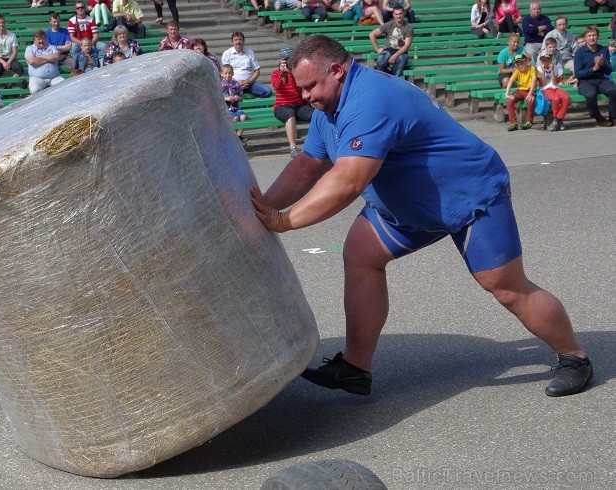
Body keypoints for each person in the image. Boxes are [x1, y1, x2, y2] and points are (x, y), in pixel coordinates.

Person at [249, 34, 593, 399]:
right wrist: (262, 209)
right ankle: (354, 367)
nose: (305, 97)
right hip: (407, 206)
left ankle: (574, 357)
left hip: (467, 195)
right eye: (301, 90)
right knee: (361, 255)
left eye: (311, 86)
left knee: (506, 287)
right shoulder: (328, 108)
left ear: (336, 70)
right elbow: (306, 166)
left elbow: (347, 182)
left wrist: (284, 221)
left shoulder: (370, 101)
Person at [272, 46, 314, 158]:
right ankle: (293, 147)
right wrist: (282, 74)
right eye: (285, 60)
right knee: (289, 115)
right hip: (282, 106)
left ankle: (316, 142)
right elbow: (276, 87)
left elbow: (299, 87)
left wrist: (291, 72)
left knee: (316, 114)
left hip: (299, 106)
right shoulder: (276, 73)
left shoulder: (297, 73)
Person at [573, 25, 616, 126]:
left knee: (613, 90)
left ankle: (613, 117)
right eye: (589, 35)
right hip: (585, 81)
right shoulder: (580, 52)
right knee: (590, 94)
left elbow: (608, 70)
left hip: (600, 79)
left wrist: (602, 65)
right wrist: (594, 68)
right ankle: (597, 117)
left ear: (598, 36)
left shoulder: (603, 50)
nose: (592, 38)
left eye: (594, 35)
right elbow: (578, 74)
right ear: (585, 37)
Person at [221, 31, 272, 98]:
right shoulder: (227, 54)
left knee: (267, 91)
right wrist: (237, 83)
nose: (238, 42)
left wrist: (250, 82)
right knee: (229, 96)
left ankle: (258, 108)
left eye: (240, 39)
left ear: (243, 41)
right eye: (235, 40)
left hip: (250, 84)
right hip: (232, 84)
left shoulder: (250, 52)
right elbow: (224, 72)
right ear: (232, 42)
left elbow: (257, 71)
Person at [370, 6, 413, 77]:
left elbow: (406, 46)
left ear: (404, 13)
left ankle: (394, 79)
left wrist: (395, 56)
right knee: (380, 62)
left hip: (401, 51)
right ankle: (388, 77)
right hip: (388, 49)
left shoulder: (408, 27)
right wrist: (377, 49)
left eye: (400, 14)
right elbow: (372, 34)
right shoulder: (389, 24)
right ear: (393, 15)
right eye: (396, 14)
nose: (398, 16)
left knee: (402, 60)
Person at [0, 14, 26, 88]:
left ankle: (9, 84)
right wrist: (3, 63)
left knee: (19, 68)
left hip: (10, 58)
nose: (1, 24)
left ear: (5, 22)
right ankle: (7, 84)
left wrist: (8, 62)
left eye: (2, 22)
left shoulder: (12, 35)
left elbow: (15, 51)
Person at [536, 52, 570, 131]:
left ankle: (557, 120)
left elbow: (555, 82)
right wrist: (543, 71)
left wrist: (552, 71)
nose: (546, 62)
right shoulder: (538, 69)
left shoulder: (555, 67)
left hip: (555, 87)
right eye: (544, 60)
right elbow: (543, 83)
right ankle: (558, 120)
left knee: (566, 97)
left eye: (548, 60)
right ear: (541, 61)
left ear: (551, 60)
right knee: (555, 99)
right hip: (545, 88)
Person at [25, 30, 64, 95]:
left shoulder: (52, 47)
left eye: (43, 38)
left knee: (64, 86)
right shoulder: (30, 48)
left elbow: (57, 57)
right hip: (37, 78)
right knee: (35, 90)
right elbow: (32, 61)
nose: (41, 41)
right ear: (34, 41)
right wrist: (50, 59)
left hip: (54, 77)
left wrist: (41, 57)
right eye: (39, 39)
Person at [505, 53, 537, 131]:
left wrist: (530, 94)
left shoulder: (532, 69)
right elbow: (510, 81)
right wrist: (507, 93)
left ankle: (529, 121)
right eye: (518, 63)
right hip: (520, 90)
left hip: (529, 90)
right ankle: (513, 123)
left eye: (522, 63)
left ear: (526, 61)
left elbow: (534, 81)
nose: (520, 65)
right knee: (509, 101)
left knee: (530, 100)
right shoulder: (517, 70)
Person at [220, 64, 248, 145]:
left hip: (236, 108)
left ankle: (238, 136)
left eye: (229, 73)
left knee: (243, 117)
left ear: (232, 73)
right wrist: (225, 98)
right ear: (221, 74)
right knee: (235, 118)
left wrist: (237, 98)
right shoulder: (219, 84)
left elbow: (241, 98)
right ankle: (234, 139)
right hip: (227, 109)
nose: (228, 75)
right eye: (225, 73)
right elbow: (217, 98)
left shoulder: (236, 84)